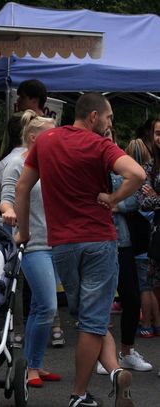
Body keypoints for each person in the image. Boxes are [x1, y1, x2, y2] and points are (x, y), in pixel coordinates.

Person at [15, 93, 145, 407]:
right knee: (93, 320)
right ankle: (79, 393)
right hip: (99, 240)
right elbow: (137, 175)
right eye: (109, 117)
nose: (110, 123)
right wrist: (113, 199)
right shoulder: (100, 145)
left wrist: (25, 232)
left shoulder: (45, 141)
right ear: (93, 117)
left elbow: (22, 187)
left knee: (89, 317)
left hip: (62, 245)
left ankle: (114, 372)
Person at [0, 110, 60, 387]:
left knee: (39, 307)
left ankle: (33, 365)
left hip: (56, 242)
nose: (57, 137)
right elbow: (6, 199)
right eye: (52, 134)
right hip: (33, 244)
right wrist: (9, 211)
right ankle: (31, 367)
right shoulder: (16, 164)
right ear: (35, 138)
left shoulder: (54, 162)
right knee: (47, 305)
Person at [96, 130, 153, 376]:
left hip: (122, 242)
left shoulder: (120, 164)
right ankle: (102, 355)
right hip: (96, 240)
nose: (107, 138)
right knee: (100, 302)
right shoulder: (88, 165)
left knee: (131, 299)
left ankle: (127, 352)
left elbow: (136, 199)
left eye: (109, 134)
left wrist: (113, 202)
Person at [126, 139, 160, 338]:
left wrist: (155, 196)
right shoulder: (148, 171)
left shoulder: (134, 178)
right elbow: (144, 203)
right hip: (152, 239)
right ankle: (155, 323)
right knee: (152, 284)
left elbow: (144, 203)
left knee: (145, 285)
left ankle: (147, 323)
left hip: (142, 239)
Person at [137, 117, 160, 352]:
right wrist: (152, 197)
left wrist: (155, 196)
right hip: (156, 241)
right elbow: (142, 202)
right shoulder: (149, 167)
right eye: (157, 133)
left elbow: (150, 200)